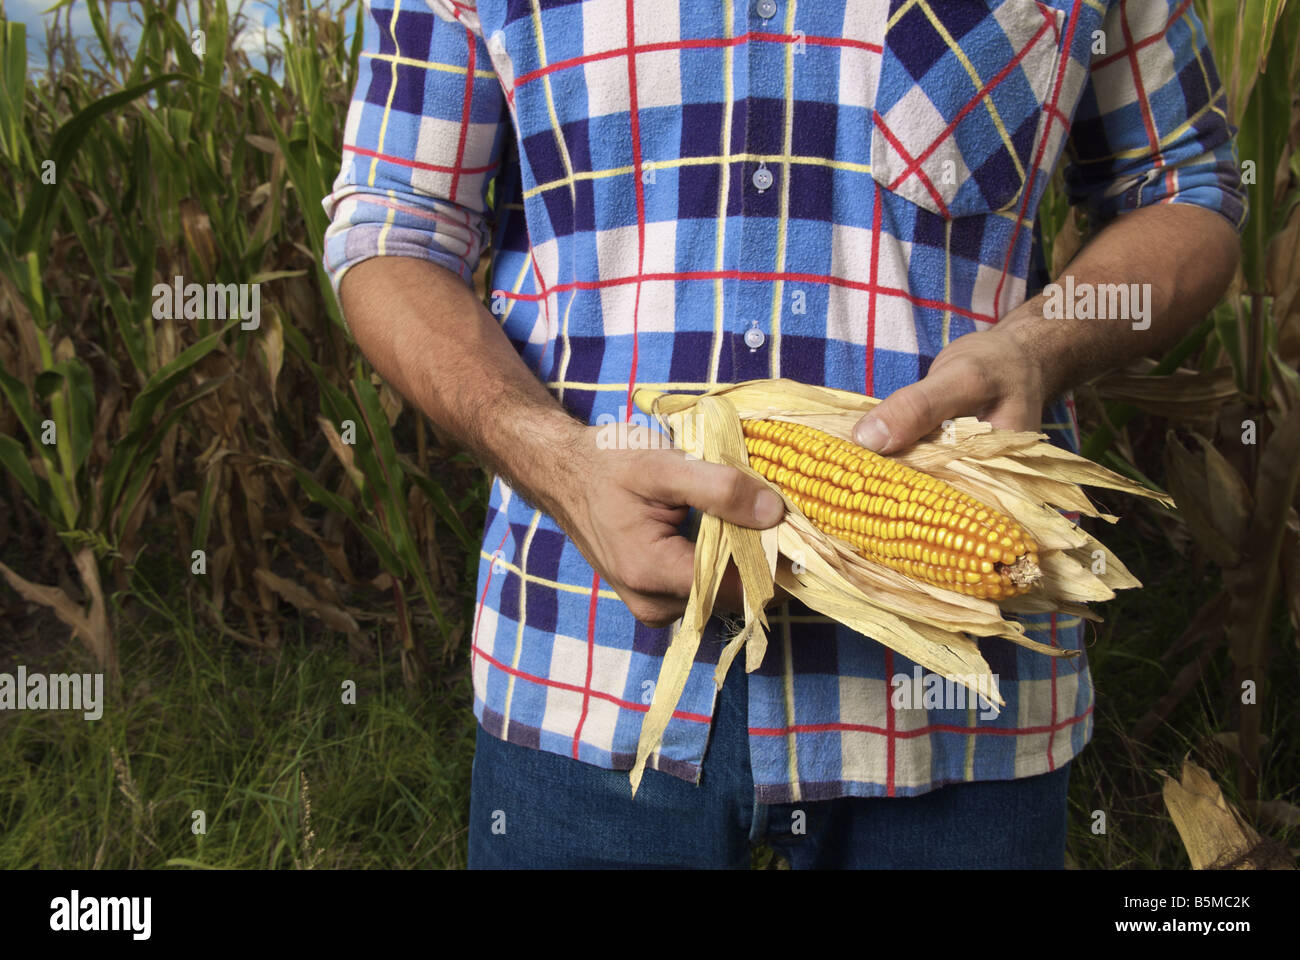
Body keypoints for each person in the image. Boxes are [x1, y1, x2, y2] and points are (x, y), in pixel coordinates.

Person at [322, 0, 1244, 869]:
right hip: (584, 667)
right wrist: (557, 462)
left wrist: (1043, 346)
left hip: (957, 708)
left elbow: (1187, 190)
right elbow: (393, 225)